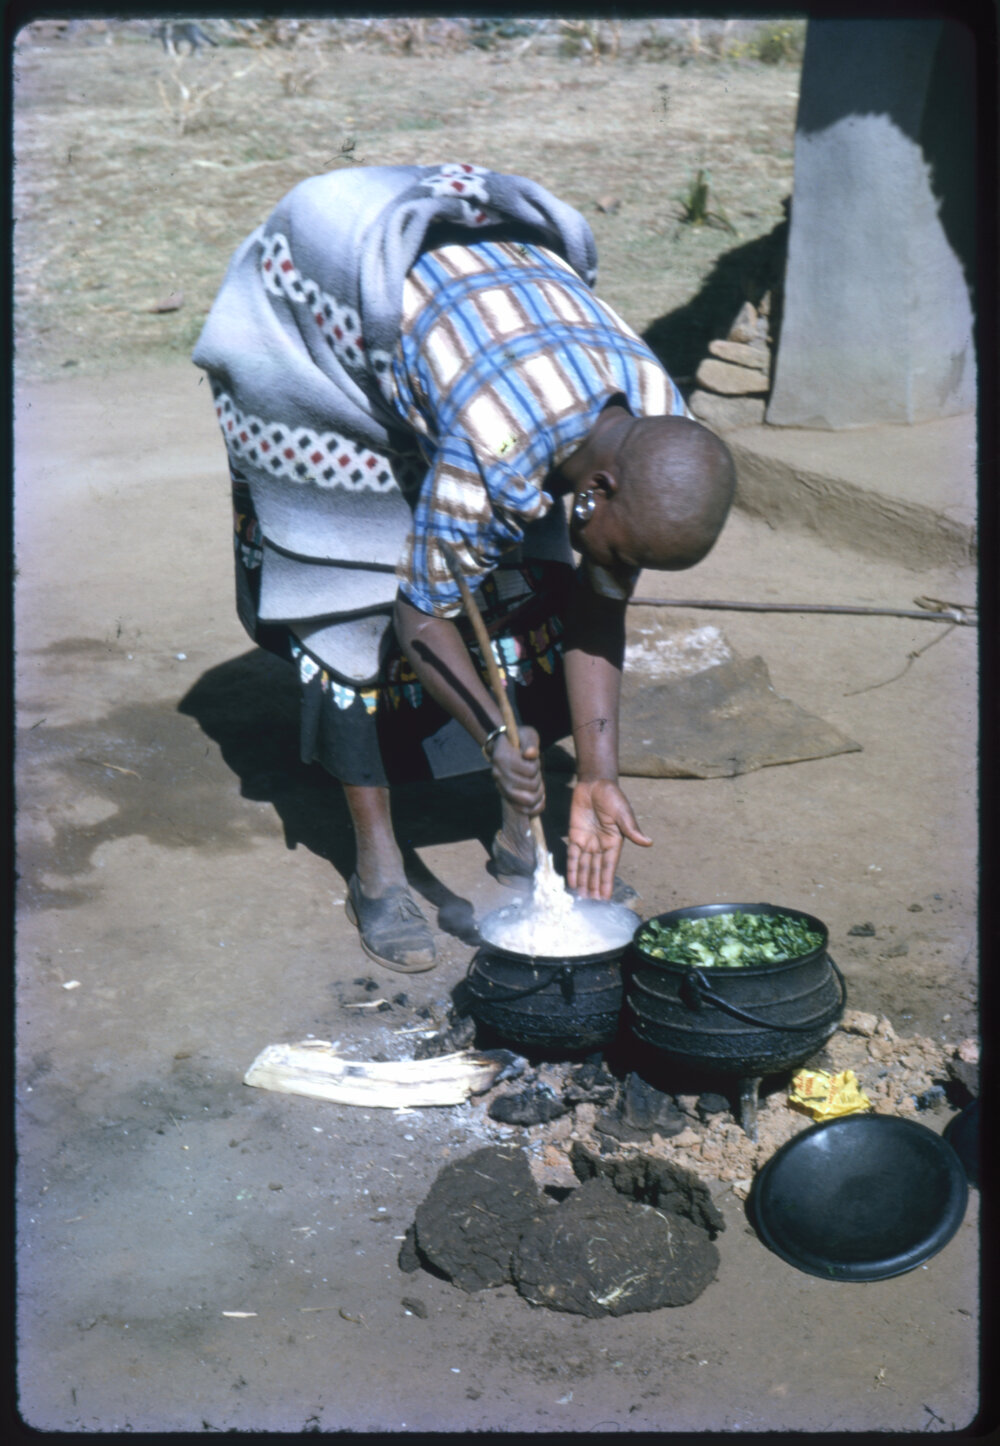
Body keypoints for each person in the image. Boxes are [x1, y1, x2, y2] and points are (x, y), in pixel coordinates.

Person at [193, 163, 736, 973]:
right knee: (357, 595)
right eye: (616, 547)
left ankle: (527, 841)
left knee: (535, 575)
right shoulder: (497, 447)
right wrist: (492, 734)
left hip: (475, 332)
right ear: (598, 487)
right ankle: (376, 865)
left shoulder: (659, 420)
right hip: (317, 304)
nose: (614, 568)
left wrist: (596, 772)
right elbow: (420, 618)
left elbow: (598, 606)